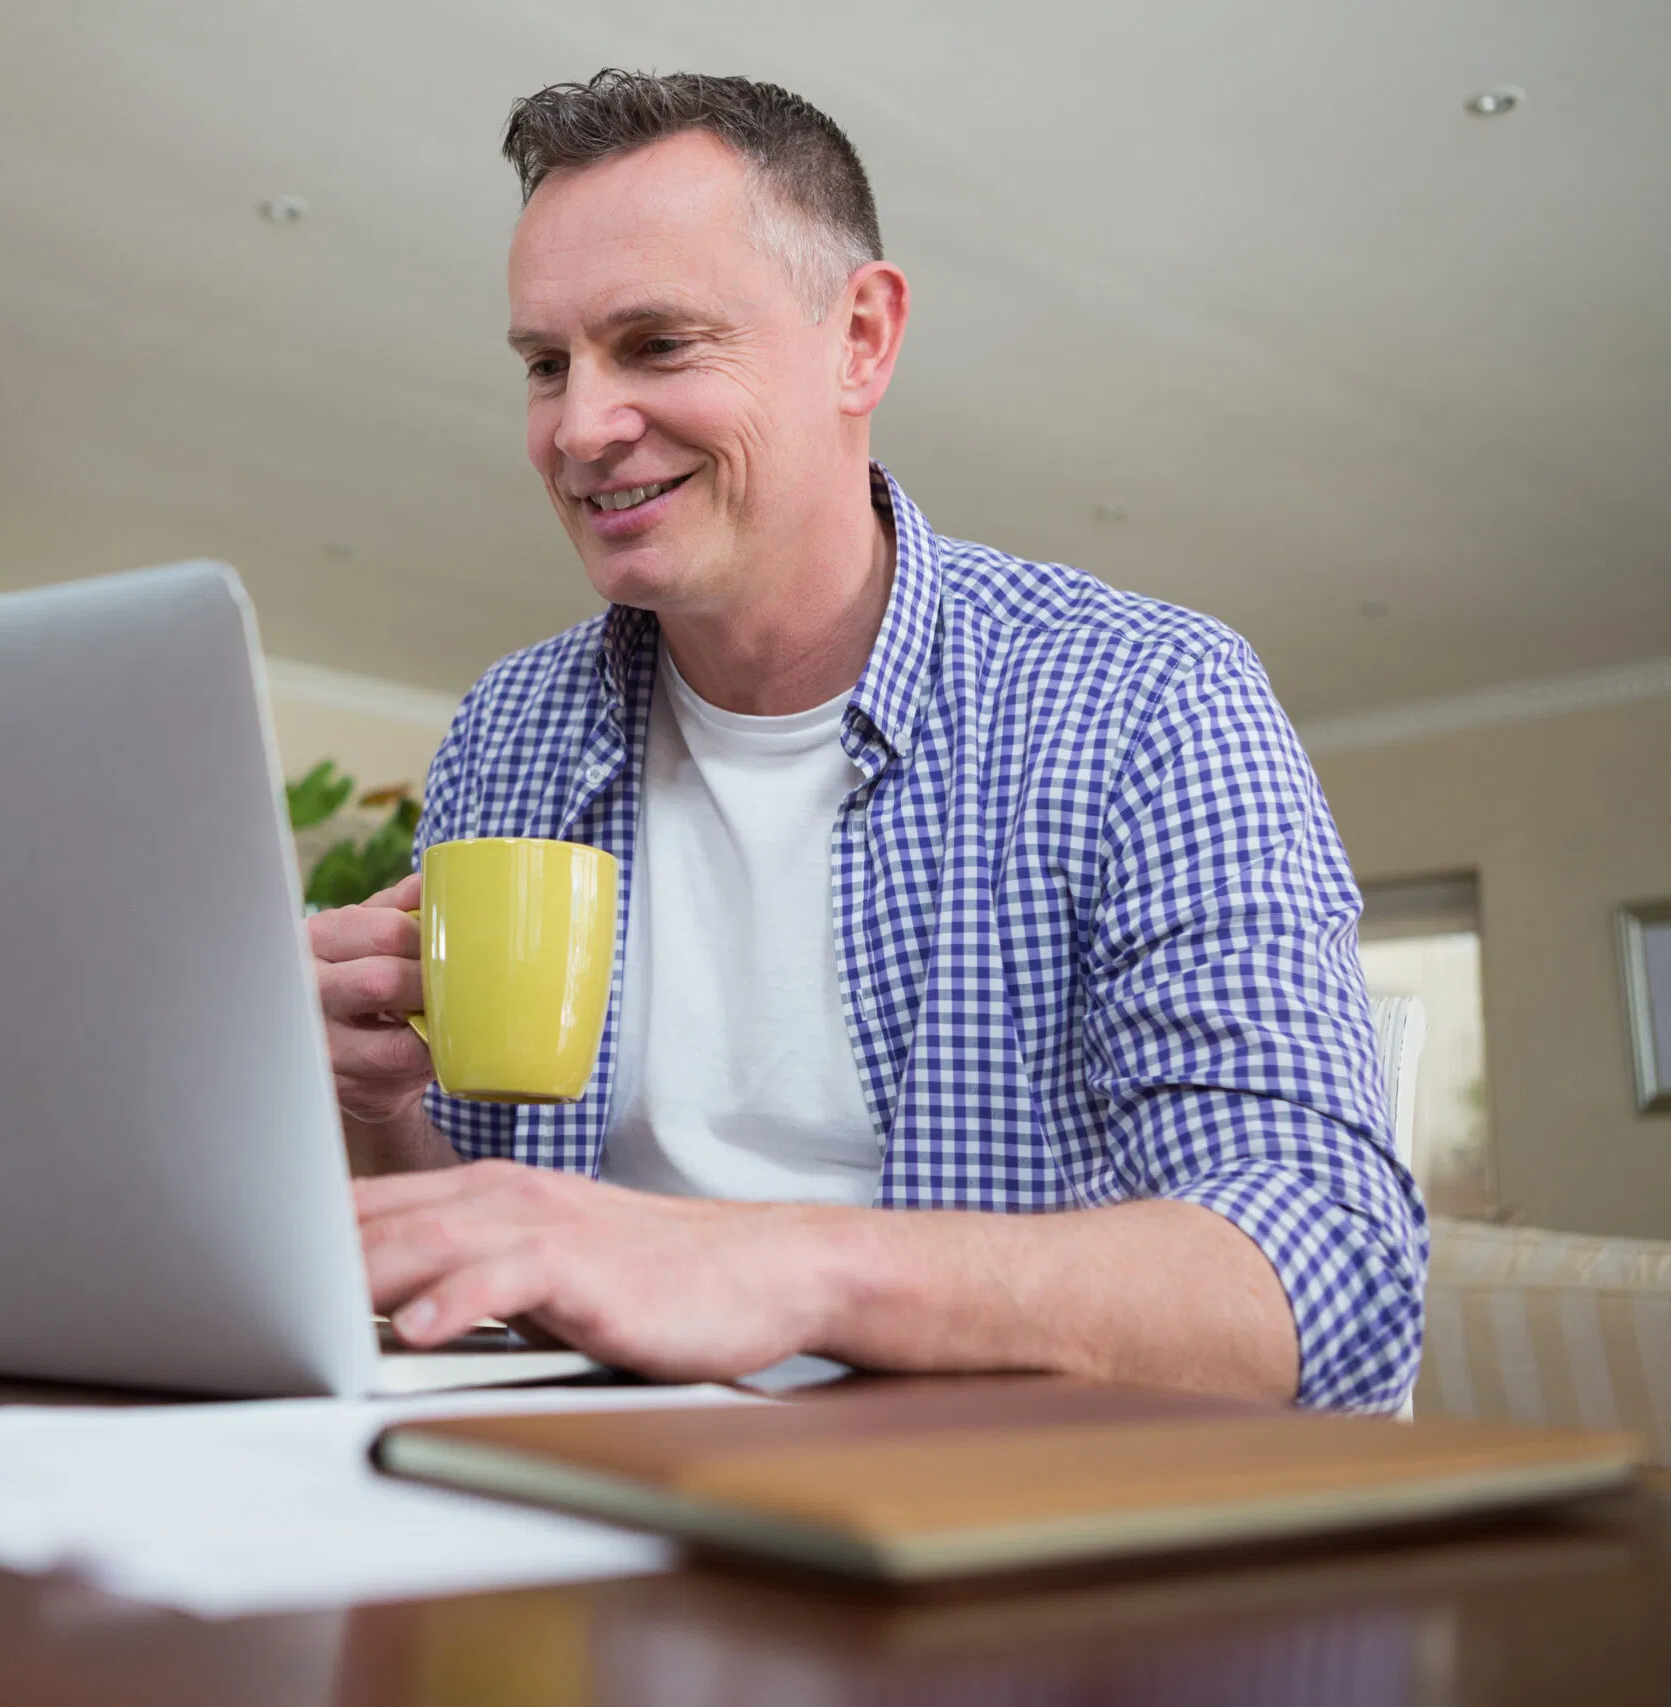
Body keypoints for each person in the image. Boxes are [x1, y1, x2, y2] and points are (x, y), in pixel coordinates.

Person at [307, 70, 1425, 1410]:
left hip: (996, 1534)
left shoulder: (1148, 698)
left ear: (862, 339)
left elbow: (1336, 1278)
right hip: (582, 1502)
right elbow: (480, 1268)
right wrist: (369, 1101)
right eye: (547, 364)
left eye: (657, 344)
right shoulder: (510, 732)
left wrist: (777, 1266)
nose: (580, 427)